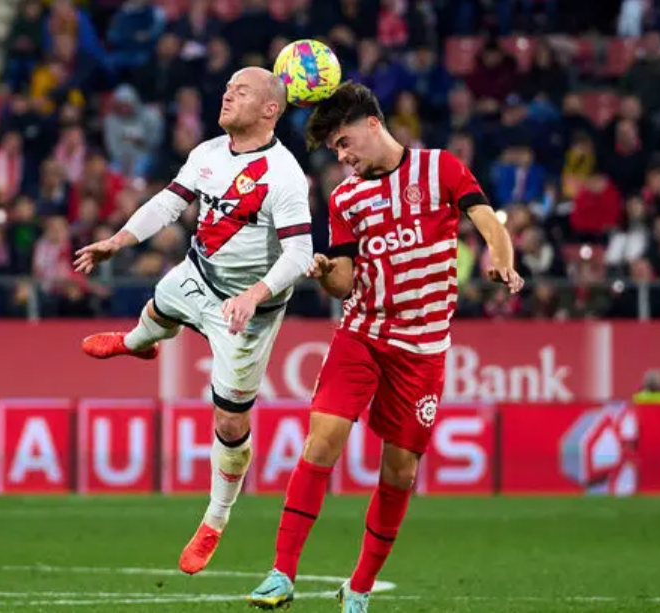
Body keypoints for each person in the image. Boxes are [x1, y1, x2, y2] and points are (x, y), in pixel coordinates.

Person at [246, 82, 523, 612]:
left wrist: (501, 256)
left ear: (374, 124)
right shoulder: (346, 198)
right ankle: (282, 573)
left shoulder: (439, 169)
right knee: (321, 443)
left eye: (346, 143)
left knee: (400, 472)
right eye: (335, 152)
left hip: (422, 350)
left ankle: (360, 588)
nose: (344, 158)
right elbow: (345, 281)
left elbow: (487, 219)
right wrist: (327, 271)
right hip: (363, 335)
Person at [73, 66, 313, 575]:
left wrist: (257, 292)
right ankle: (137, 342)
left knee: (229, 420)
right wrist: (118, 241)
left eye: (240, 91)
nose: (227, 94)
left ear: (271, 109)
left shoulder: (285, 175)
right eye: (227, 87)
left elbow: (300, 252)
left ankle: (214, 519)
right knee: (157, 311)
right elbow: (168, 203)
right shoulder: (206, 153)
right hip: (198, 274)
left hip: (247, 309)